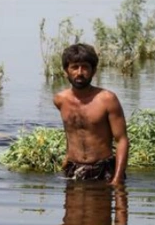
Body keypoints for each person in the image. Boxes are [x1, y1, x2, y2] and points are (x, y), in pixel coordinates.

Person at [53, 43, 129, 185]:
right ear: (66, 71)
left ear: (93, 71)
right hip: (73, 169)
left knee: (100, 207)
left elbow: (122, 140)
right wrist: (66, 157)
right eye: (74, 67)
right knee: (71, 207)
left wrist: (117, 179)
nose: (80, 73)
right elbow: (71, 130)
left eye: (85, 67)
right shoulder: (60, 100)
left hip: (103, 170)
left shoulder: (107, 99)